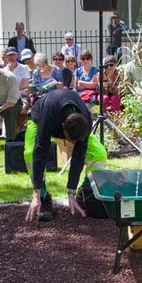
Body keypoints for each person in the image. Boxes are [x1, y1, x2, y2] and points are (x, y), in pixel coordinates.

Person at [24, 88, 104, 222]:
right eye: (71, 141)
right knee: (30, 153)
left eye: (76, 141)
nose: (72, 144)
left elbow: (78, 157)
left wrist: (71, 191)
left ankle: (86, 194)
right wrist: (36, 193)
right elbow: (40, 150)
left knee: (99, 153)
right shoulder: (49, 116)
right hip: (39, 119)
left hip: (73, 126)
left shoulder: (85, 121)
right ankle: (43, 198)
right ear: (62, 127)